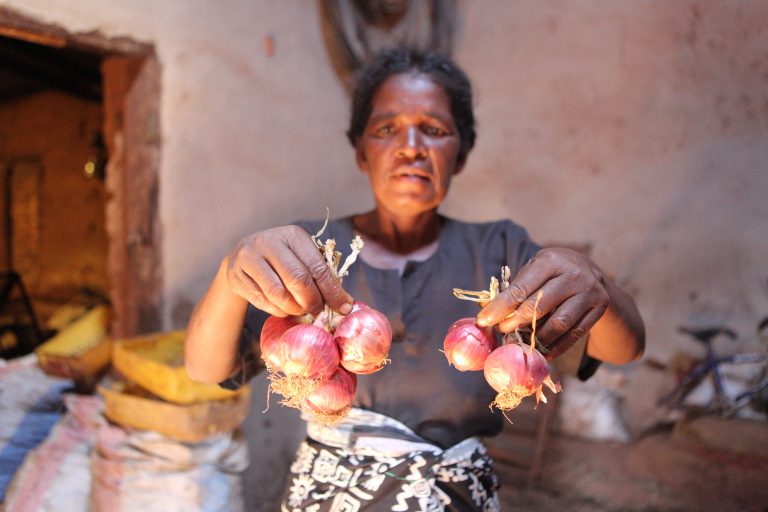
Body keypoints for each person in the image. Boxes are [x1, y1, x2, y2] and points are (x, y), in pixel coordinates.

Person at [185, 47, 645, 511]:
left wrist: (598, 286)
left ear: (460, 154)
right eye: (387, 129)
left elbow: (622, 349)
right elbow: (206, 369)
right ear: (361, 152)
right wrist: (230, 273)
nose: (410, 146)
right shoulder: (309, 252)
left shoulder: (502, 251)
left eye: (435, 130)